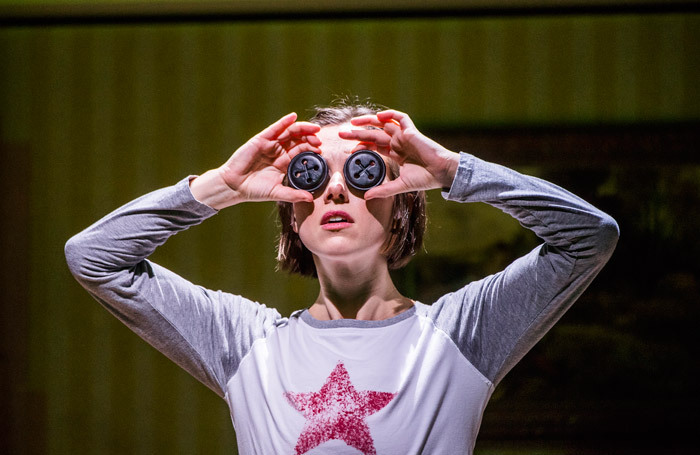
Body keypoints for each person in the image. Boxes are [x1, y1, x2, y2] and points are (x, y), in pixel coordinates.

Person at [65, 101, 619, 455]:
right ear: (290, 210)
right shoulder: (245, 344)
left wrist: (453, 171)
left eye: (362, 172)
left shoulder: (462, 334)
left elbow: (590, 236)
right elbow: (92, 257)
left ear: (400, 203)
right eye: (310, 174)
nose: (334, 188)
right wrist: (223, 186)